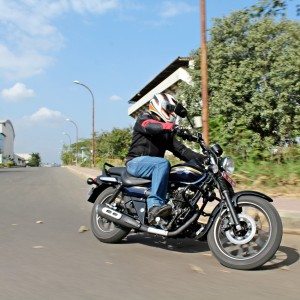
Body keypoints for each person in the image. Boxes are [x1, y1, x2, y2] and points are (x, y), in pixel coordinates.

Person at [125, 93, 205, 224]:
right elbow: (150, 126)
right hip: (135, 162)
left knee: (183, 173)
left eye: (172, 109)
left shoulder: (166, 134)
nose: (171, 112)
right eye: (169, 108)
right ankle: (154, 206)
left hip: (153, 167)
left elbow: (183, 151)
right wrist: (172, 127)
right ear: (158, 105)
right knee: (162, 164)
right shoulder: (144, 119)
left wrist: (204, 159)